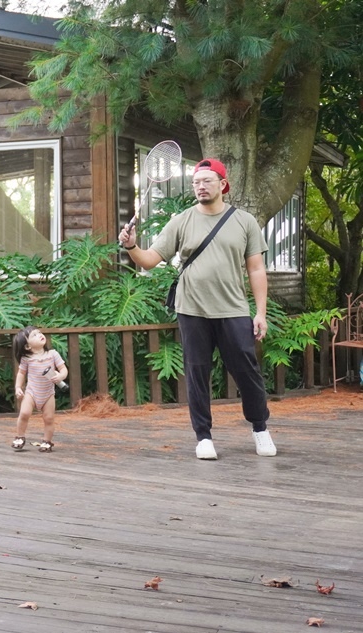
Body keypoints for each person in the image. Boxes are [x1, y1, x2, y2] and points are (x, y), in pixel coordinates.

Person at [118, 158, 277, 460]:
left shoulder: (244, 221)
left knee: (247, 371)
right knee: (196, 373)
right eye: (196, 182)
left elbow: (256, 270)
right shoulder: (182, 220)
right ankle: (203, 437)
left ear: (222, 184)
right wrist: (131, 246)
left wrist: (260, 312)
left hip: (232, 309)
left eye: (207, 181)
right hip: (191, 310)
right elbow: (150, 259)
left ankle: (260, 428)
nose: (200, 186)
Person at [12, 325, 68, 453]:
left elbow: (64, 369)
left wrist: (60, 376)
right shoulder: (27, 359)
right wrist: (18, 387)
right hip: (31, 392)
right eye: (34, 335)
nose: (40, 335)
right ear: (27, 346)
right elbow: (21, 374)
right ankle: (20, 437)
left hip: (48, 394)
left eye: (39, 332)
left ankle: (47, 441)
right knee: (24, 413)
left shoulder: (53, 354)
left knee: (49, 418)